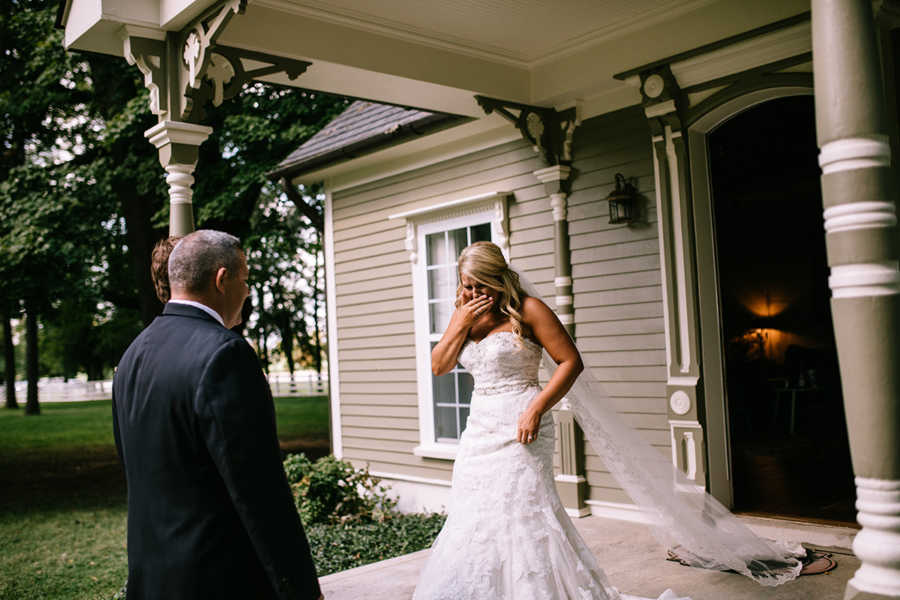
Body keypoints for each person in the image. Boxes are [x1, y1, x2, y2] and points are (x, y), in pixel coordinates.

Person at [413, 241, 801, 599]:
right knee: (474, 512)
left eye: (482, 286)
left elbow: (570, 362)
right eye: (467, 286)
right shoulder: (462, 314)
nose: (474, 295)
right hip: (480, 429)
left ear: (499, 281)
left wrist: (536, 408)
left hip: (524, 423)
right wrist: (460, 321)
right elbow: (439, 365)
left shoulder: (528, 310)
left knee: (523, 511)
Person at [112, 229, 323, 600]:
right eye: (245, 279)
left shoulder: (133, 354)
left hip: (151, 577)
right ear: (222, 279)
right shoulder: (225, 354)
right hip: (216, 578)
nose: (247, 291)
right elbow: (259, 489)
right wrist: (301, 587)